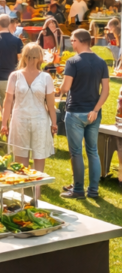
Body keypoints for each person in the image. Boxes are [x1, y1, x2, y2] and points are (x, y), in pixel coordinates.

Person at [0, 43, 58, 199]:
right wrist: (54, 123)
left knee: (31, 158)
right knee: (27, 158)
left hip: (34, 120)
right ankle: (27, 195)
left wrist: (4, 123)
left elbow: (8, 102)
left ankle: (31, 195)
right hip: (24, 119)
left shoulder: (42, 77)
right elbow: (50, 105)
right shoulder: (17, 75)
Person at [59, 29, 110, 199]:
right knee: (92, 151)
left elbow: (65, 88)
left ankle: (79, 190)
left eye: (73, 40)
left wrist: (60, 86)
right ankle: (93, 190)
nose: (71, 43)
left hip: (75, 112)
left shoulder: (73, 62)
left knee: (76, 152)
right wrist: (96, 109)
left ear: (81, 41)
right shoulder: (101, 62)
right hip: (93, 114)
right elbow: (106, 90)